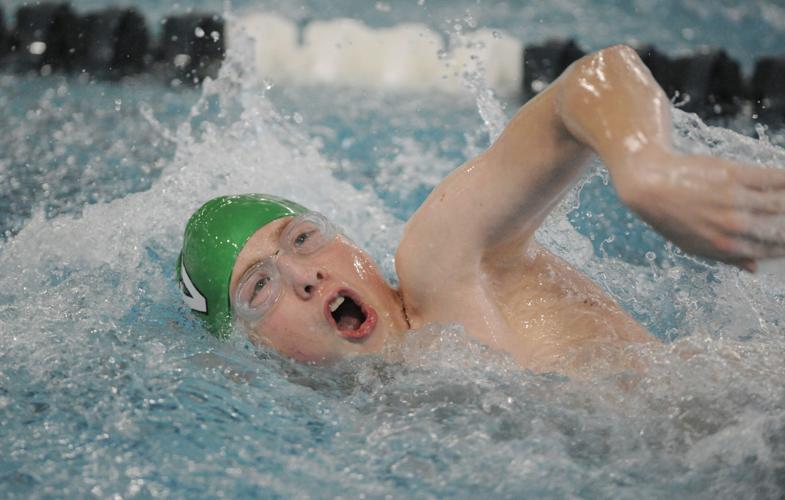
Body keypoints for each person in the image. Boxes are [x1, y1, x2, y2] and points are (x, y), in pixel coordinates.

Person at [177, 45, 785, 376]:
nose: (303, 275)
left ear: (352, 248)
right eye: (260, 288)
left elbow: (593, 78)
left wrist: (646, 166)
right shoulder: (386, 415)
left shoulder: (440, 264)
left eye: (303, 238)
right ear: (251, 349)